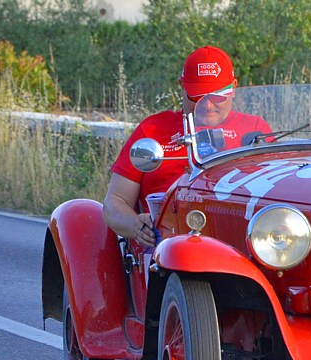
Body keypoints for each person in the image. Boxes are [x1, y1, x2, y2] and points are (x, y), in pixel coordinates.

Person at [103, 46, 270, 247]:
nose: (207, 105)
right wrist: (136, 225)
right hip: (166, 245)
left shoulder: (255, 129)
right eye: (196, 96)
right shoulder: (153, 130)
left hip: (239, 240)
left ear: (234, 88)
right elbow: (114, 201)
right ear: (181, 87)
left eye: (218, 96)